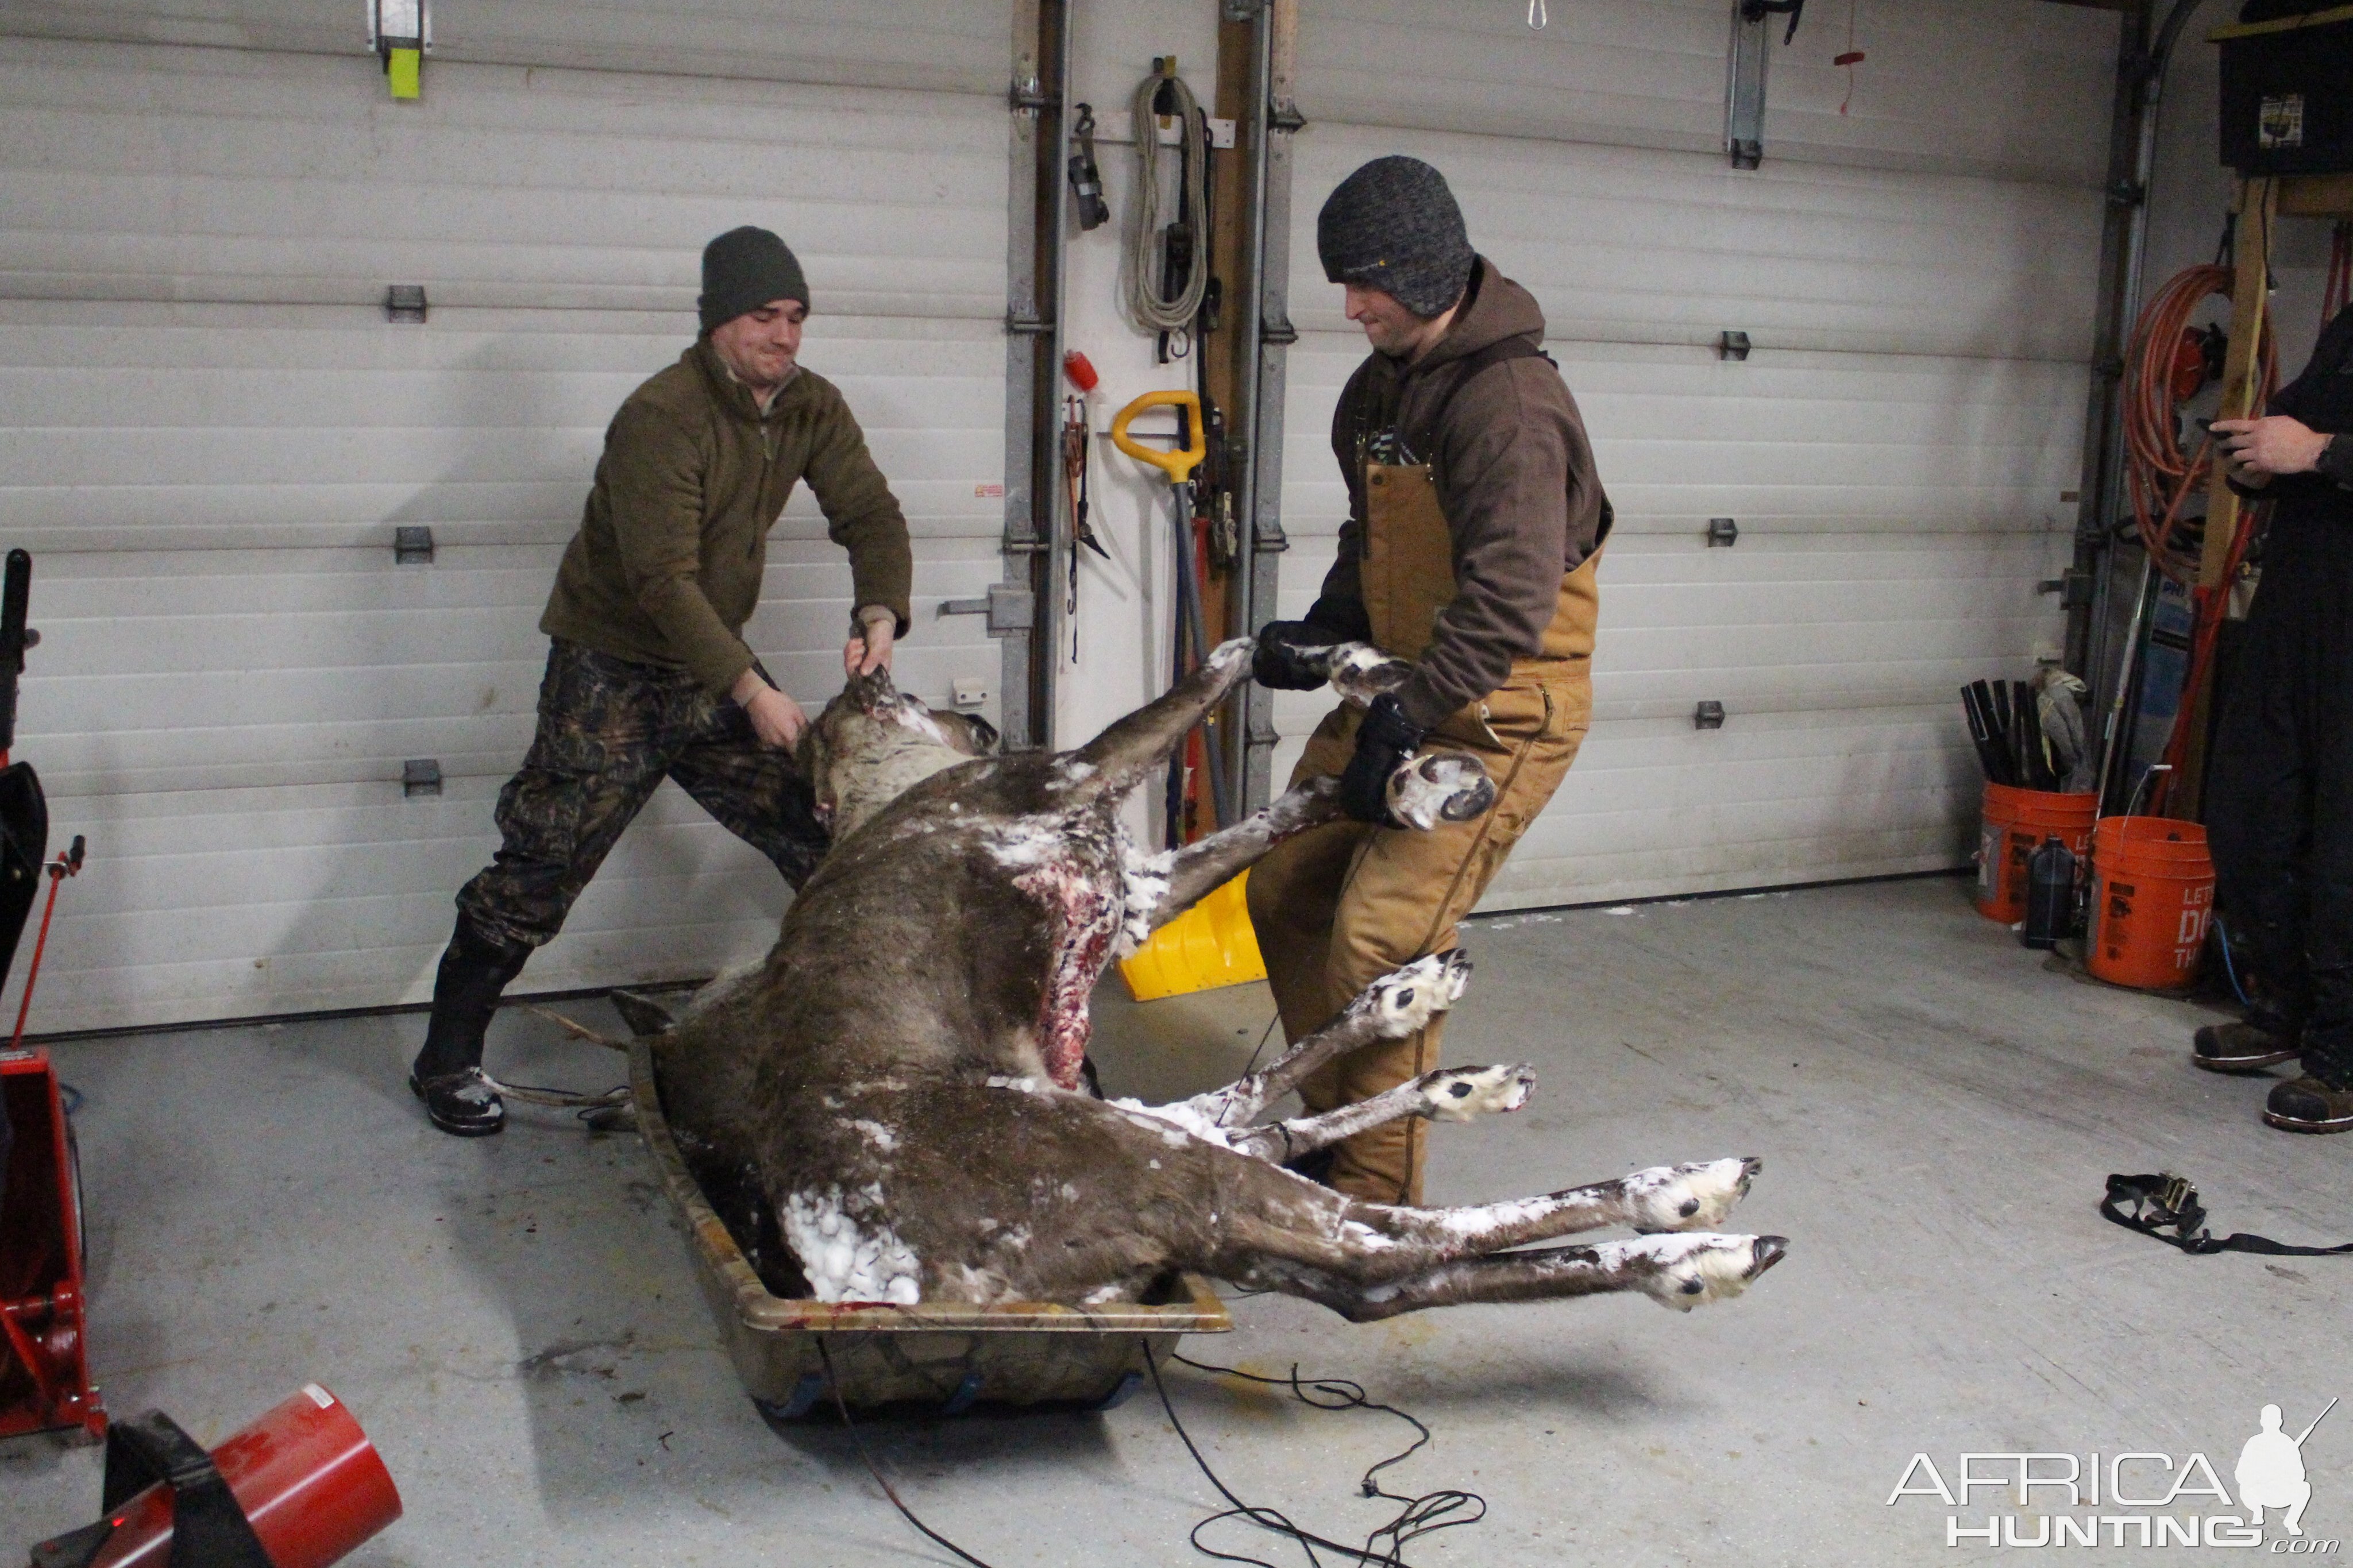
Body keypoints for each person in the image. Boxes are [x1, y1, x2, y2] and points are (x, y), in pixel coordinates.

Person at [408, 225, 913, 1137]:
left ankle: (887, 1037)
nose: (786, 336)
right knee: (542, 866)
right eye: (766, 315)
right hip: (615, 670)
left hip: (709, 661)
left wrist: (879, 611)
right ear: (721, 318)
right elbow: (660, 582)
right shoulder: (663, 416)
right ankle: (445, 1058)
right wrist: (752, 691)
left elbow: (870, 511)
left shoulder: (810, 408)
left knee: (826, 831)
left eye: (797, 317)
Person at [1247, 157, 1609, 1203]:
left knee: (1381, 937)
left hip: (1503, 706)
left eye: (1365, 282)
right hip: (1413, 680)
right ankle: (1333, 1122)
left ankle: (1377, 1204)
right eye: (1342, 282)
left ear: (1427, 267)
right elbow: (1378, 536)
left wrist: (1405, 717)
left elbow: (1507, 599)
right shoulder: (1381, 388)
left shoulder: (1510, 407)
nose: (1349, 305)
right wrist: (1326, 622)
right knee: (1286, 882)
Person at [2200, 302, 2353, 1134]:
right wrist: (2254, 464)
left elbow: (2315, 443)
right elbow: (2290, 427)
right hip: (2298, 612)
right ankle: (2282, 1008)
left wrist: (2322, 453)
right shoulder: (2350, 330)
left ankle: (2343, 1056)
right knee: (2251, 814)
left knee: (2344, 855)